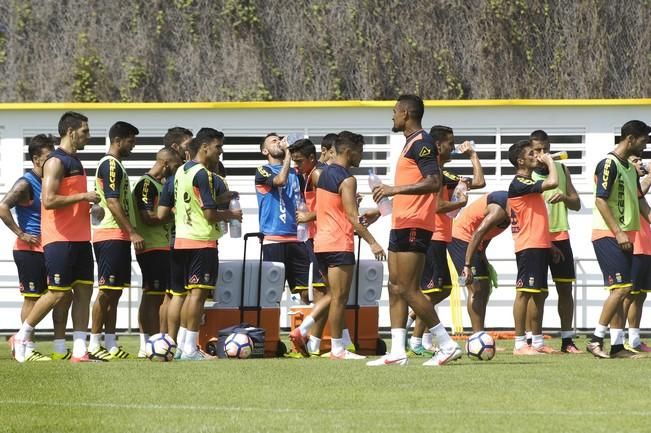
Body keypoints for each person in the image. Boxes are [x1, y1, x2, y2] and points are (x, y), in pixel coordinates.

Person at [367, 94, 462, 367]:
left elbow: (433, 181)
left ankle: (446, 344)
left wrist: (393, 189)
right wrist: (382, 209)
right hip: (402, 221)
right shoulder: (410, 143)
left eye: (395, 111)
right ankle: (397, 350)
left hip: (415, 224)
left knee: (409, 289)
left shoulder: (422, 142)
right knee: (395, 286)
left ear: (406, 113)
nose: (393, 116)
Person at [12, 111, 100, 363]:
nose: (89, 136)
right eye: (85, 131)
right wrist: (83, 197)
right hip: (59, 240)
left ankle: (80, 351)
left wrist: (92, 207)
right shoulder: (55, 161)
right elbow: (48, 200)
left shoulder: (78, 163)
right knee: (58, 293)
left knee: (84, 291)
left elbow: (71, 201)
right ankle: (22, 335)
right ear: (71, 132)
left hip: (82, 238)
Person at [409, 126, 485, 356]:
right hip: (432, 238)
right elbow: (438, 206)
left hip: (442, 239)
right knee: (436, 290)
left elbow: (480, 182)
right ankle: (414, 336)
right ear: (438, 145)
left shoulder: (446, 173)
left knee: (439, 290)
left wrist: (473, 156)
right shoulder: (433, 173)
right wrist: (459, 204)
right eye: (450, 143)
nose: (453, 147)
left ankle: (416, 331)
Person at [312, 131, 385, 360]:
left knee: (334, 297)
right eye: (360, 151)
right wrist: (373, 243)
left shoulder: (321, 174)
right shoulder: (348, 179)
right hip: (339, 243)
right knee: (340, 298)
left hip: (321, 244)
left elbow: (335, 211)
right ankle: (337, 349)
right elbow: (353, 218)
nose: (361, 156)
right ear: (348, 151)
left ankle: (313, 334)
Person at [1, 135, 71, 361]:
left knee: (62, 295)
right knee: (32, 298)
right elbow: (2, 207)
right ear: (36, 159)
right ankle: (26, 346)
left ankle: (58, 345)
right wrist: (21, 233)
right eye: (48, 156)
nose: (53, 160)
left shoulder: (50, 181)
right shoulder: (25, 183)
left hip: (49, 247)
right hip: (28, 250)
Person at [173, 128, 241, 360]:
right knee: (198, 295)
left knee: (190, 294)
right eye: (218, 147)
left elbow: (192, 201)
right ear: (204, 147)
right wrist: (232, 216)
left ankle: (183, 346)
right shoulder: (202, 174)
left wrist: (223, 198)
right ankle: (191, 348)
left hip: (182, 239)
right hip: (201, 240)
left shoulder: (182, 170)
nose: (220, 152)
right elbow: (210, 214)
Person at [587, 120, 650, 359]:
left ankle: (616, 346)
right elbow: (600, 200)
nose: (645, 146)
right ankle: (595, 340)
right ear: (631, 138)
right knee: (622, 288)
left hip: (624, 236)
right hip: (608, 234)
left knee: (624, 289)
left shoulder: (629, 168)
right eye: (644, 141)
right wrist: (619, 232)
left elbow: (640, 201)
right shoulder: (608, 163)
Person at [289, 138, 354, 357]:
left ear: (312, 158)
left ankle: (315, 339)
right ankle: (314, 335)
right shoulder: (311, 175)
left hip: (322, 237)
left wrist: (310, 215)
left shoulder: (317, 175)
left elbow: (327, 206)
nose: (296, 166)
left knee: (330, 293)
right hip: (324, 239)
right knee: (331, 293)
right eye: (294, 162)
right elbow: (329, 206)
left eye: (299, 162)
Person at [88, 121, 142, 361]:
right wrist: (131, 231)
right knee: (106, 291)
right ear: (118, 140)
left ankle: (111, 344)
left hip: (118, 236)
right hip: (110, 234)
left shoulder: (118, 165)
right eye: (131, 141)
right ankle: (93, 343)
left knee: (116, 292)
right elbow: (112, 201)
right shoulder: (110, 164)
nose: (133, 146)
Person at [529, 130, 582, 353]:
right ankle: (535, 341)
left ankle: (567, 340)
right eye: (537, 150)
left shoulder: (560, 168)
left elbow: (577, 202)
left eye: (545, 150)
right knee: (537, 292)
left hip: (560, 235)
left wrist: (565, 198)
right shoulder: (527, 174)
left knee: (565, 289)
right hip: (537, 239)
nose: (542, 154)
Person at [507, 139, 559, 355]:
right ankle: (520, 344)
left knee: (539, 293)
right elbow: (553, 182)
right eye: (531, 154)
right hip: (528, 245)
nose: (536, 156)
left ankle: (537, 342)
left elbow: (536, 217)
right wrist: (549, 161)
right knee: (524, 293)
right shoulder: (519, 182)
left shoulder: (528, 183)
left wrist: (549, 244)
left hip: (539, 244)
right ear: (520, 161)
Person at [255, 134, 313, 318]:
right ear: (265, 151)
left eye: (280, 139)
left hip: (298, 239)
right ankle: (271, 337)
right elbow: (280, 180)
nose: (279, 142)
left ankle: (308, 336)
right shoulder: (262, 170)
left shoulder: (298, 173)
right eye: (273, 141)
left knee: (307, 292)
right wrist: (288, 152)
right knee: (272, 293)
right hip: (273, 240)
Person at [132, 148, 182, 357]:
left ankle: (154, 341)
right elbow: (148, 217)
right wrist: (174, 214)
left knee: (157, 295)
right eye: (175, 166)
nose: (176, 170)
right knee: (152, 295)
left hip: (162, 245)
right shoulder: (146, 184)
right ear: (165, 164)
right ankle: (147, 343)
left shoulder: (160, 185)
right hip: (151, 246)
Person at [451, 191, 510, 332]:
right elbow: (478, 232)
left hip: (475, 242)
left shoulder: (514, 211)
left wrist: (483, 253)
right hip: (462, 237)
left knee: (484, 288)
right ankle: (478, 337)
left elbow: (488, 233)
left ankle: (480, 333)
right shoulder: (499, 210)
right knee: (475, 287)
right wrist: (467, 265)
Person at [158, 127, 194, 350]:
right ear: (175, 147)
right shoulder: (182, 174)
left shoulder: (172, 177)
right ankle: (181, 343)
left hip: (173, 241)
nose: (191, 148)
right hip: (189, 239)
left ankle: (166, 342)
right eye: (188, 144)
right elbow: (162, 214)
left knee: (171, 294)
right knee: (186, 293)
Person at [624, 154, 651, 353]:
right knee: (627, 295)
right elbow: (635, 195)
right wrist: (650, 177)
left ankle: (634, 339)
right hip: (633, 246)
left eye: (641, 160)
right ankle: (618, 338)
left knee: (640, 296)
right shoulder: (625, 183)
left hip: (646, 246)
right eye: (635, 160)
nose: (640, 163)